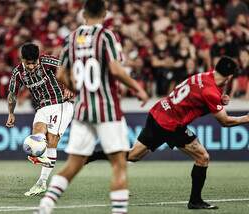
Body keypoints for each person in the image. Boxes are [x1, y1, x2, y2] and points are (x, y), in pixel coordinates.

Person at [87, 56, 249, 210]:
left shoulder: (204, 76)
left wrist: (220, 100)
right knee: (202, 157)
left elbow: (199, 97)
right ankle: (195, 201)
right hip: (171, 124)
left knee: (133, 156)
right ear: (229, 77)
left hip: (158, 111)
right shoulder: (211, 92)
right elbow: (225, 121)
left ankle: (92, 156)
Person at [38, 0, 148, 213]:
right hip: (107, 109)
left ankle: (45, 205)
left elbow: (61, 74)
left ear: (83, 13)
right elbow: (115, 69)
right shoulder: (106, 36)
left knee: (73, 164)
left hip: (82, 109)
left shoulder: (70, 38)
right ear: (105, 13)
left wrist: (76, 89)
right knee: (119, 164)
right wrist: (138, 88)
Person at [5, 43, 74, 196]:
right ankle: (39, 156)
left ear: (38, 58)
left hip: (61, 104)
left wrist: (69, 86)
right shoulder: (18, 73)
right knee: (37, 135)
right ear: (21, 59)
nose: (31, 66)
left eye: (34, 62)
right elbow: (12, 95)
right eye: (27, 63)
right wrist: (11, 113)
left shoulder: (47, 62)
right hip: (42, 107)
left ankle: (41, 182)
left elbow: (68, 68)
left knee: (51, 141)